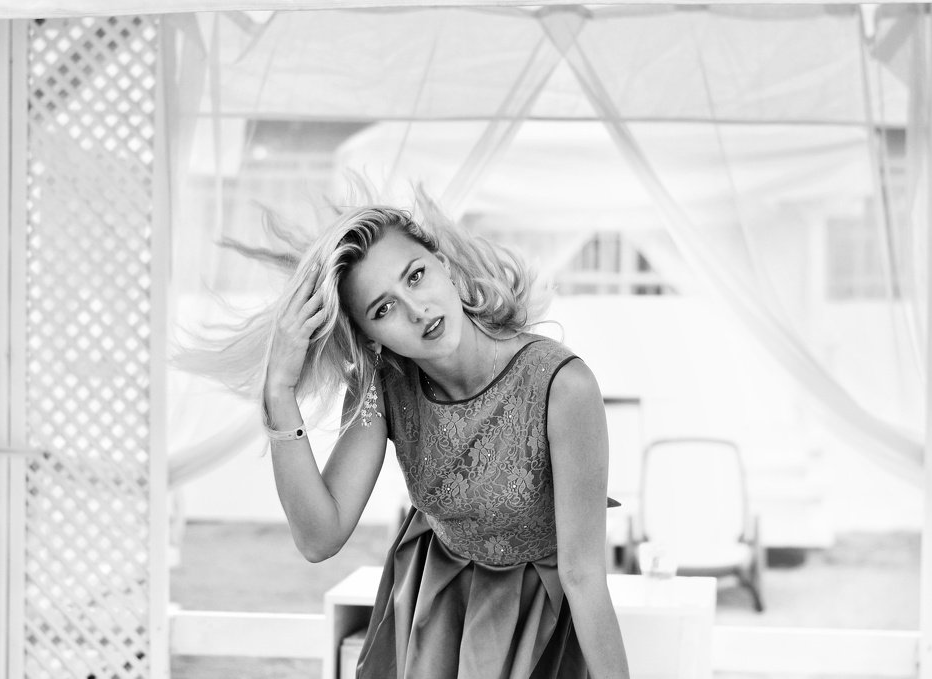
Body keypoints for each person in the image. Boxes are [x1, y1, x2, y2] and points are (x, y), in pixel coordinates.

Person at [176, 188, 629, 678]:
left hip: (538, 620)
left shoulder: (562, 385)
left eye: (416, 276)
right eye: (383, 309)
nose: (416, 310)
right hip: (435, 616)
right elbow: (319, 538)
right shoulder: (385, 383)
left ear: (443, 266)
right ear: (369, 336)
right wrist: (280, 391)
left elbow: (583, 576)